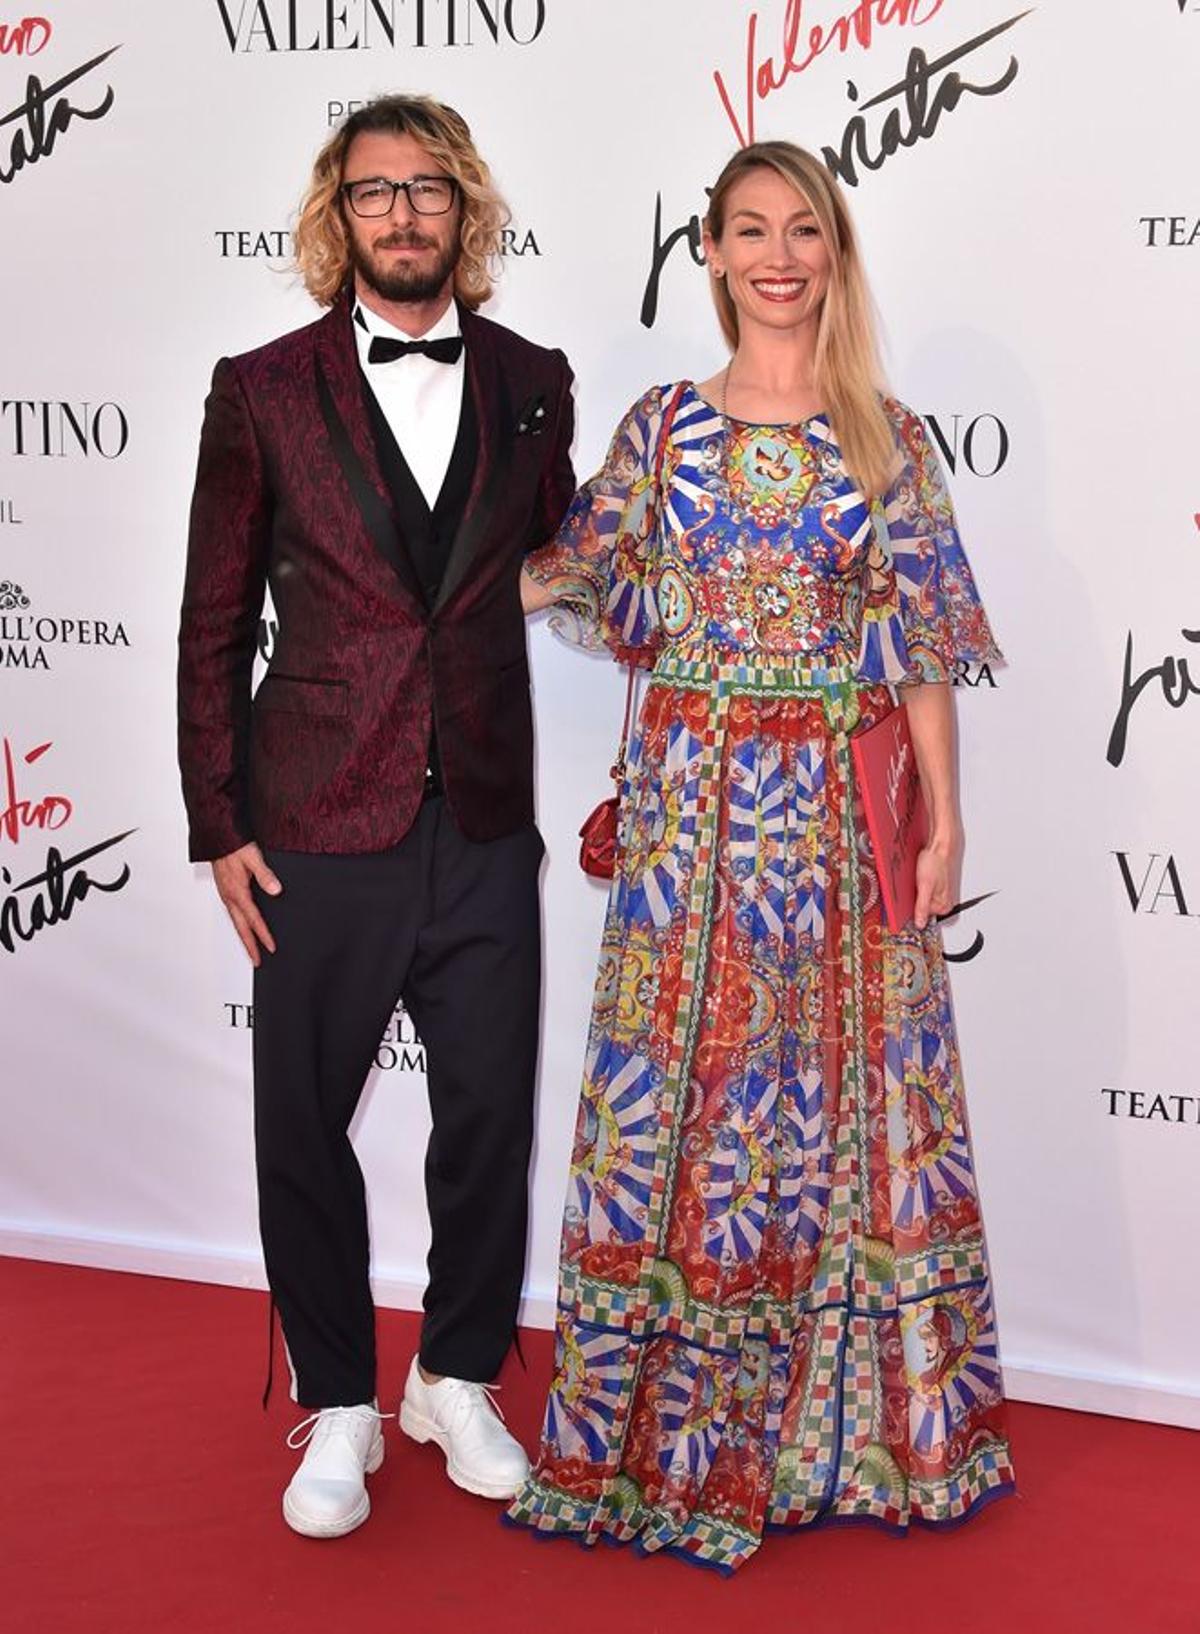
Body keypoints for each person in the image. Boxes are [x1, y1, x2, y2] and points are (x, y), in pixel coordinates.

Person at [507, 141, 1014, 1573]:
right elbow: (575, 574)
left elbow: (921, 650)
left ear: (833, 255)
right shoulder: (663, 429)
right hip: (690, 818)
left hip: (844, 827)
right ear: (712, 255)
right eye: (750, 230)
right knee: (690, 1111)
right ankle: (659, 1427)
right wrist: (473, 512)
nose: (779, 254)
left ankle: (850, 1432)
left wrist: (947, 816)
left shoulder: (888, 438)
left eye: (805, 229)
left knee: (847, 1115)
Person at [177, 93, 575, 1538]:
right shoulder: (263, 386)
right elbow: (212, 617)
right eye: (372, 193)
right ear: (334, 217)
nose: (401, 215)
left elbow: (555, 558)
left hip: (478, 813)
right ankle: (341, 1391)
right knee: (303, 1119)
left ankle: (455, 1371)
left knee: (485, 1114)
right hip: (312, 816)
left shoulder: (533, 378)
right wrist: (218, 819)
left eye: (427, 191)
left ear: (465, 210)